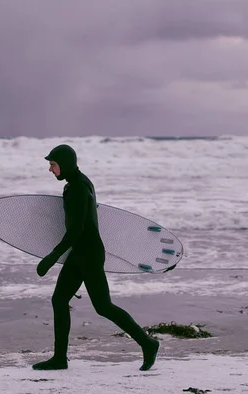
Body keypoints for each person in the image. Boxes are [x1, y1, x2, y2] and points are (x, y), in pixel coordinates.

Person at [33, 144, 159, 371]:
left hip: (89, 255)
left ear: (65, 164)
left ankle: (148, 343)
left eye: (53, 165)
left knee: (104, 307)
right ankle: (60, 358)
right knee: (59, 300)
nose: (50, 170)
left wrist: (52, 256)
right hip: (79, 253)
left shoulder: (80, 188)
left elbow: (77, 229)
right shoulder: (76, 184)